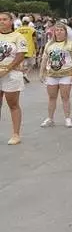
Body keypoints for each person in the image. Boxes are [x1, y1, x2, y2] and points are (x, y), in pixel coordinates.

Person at [39, 23, 72, 128]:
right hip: (51, 74)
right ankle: (50, 118)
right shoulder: (49, 44)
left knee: (65, 97)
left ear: (65, 32)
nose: (59, 32)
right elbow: (44, 59)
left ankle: (67, 118)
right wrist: (41, 72)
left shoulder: (70, 44)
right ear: (54, 32)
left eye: (61, 30)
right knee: (52, 97)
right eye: (57, 30)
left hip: (66, 74)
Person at [0, 12, 27, 144]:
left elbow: (21, 55)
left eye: (5, 19)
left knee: (13, 104)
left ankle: (16, 134)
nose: (2, 22)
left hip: (11, 74)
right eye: (0, 20)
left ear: (11, 21)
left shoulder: (18, 36)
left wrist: (7, 68)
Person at [16, 17, 36, 83]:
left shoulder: (17, 30)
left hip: (20, 48)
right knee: (32, 63)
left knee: (21, 62)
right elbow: (35, 40)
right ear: (28, 22)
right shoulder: (32, 30)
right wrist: (37, 48)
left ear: (22, 22)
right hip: (30, 49)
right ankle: (25, 74)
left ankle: (21, 74)